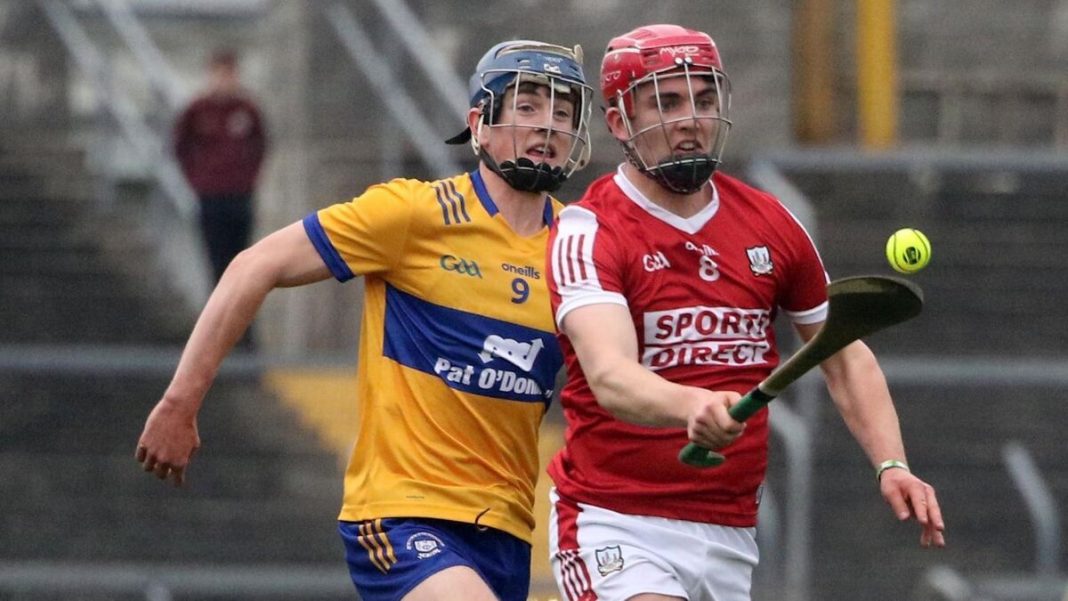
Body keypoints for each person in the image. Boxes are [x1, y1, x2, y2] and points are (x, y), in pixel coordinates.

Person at [137, 40, 593, 601]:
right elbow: (253, 265)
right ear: (480, 122)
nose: (548, 125)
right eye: (527, 107)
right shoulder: (413, 213)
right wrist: (181, 401)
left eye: (563, 111)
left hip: (507, 529)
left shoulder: (581, 245)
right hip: (402, 514)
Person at [545, 24, 945, 601]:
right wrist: (693, 404)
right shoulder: (591, 229)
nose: (690, 119)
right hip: (617, 523)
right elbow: (610, 375)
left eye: (704, 100)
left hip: (729, 530)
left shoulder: (770, 223)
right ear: (619, 123)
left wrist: (892, 464)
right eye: (667, 101)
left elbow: (842, 353)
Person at [174, 48, 268, 285]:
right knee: (216, 259)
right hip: (211, 195)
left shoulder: (246, 109)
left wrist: (250, 178)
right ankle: (218, 315)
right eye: (220, 74)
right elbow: (180, 146)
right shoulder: (198, 110)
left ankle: (244, 319)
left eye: (229, 74)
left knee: (244, 260)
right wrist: (197, 180)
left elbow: (261, 144)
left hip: (240, 194)